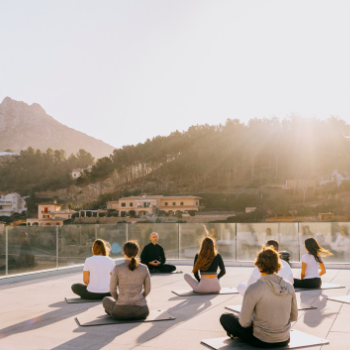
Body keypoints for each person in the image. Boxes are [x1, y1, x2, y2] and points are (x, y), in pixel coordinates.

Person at [220, 247, 298, 348]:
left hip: (262, 340)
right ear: (277, 265)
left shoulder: (254, 288)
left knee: (225, 318)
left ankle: (236, 335)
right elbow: (293, 317)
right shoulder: (289, 286)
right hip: (284, 339)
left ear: (259, 266)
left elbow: (244, 322)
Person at [103, 241, 151, 320]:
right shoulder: (144, 268)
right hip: (142, 312)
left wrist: (119, 300)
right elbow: (148, 289)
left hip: (120, 312)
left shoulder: (117, 268)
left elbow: (112, 290)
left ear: (124, 252)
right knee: (147, 299)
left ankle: (111, 310)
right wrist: (140, 298)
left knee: (106, 299)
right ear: (137, 252)